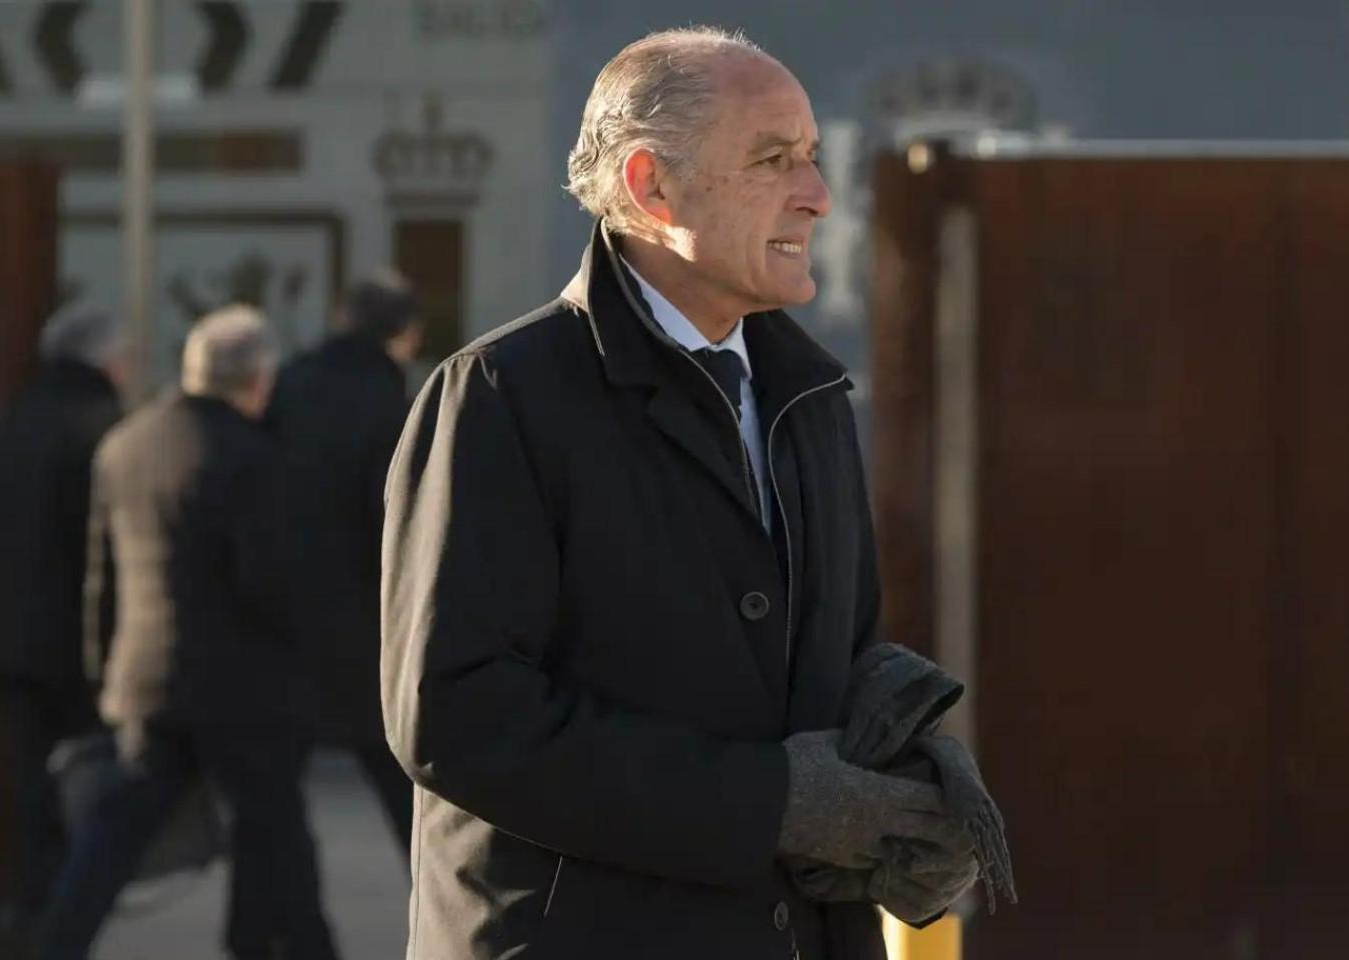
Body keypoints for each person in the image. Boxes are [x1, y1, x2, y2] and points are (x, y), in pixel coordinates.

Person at [380, 26, 980, 960]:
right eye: (773, 160)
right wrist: (773, 803)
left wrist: (906, 775)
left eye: (813, 157)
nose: (818, 195)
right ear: (650, 186)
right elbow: (459, 719)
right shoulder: (501, 396)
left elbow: (839, 659)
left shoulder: (810, 399)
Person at [33, 306, 339, 960]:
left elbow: (100, 581)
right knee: (278, 839)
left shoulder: (125, 445)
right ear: (258, 379)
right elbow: (267, 583)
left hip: (146, 682)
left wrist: (104, 678)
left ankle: (55, 946)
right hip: (242, 693)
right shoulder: (250, 456)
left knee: (112, 839)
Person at [0, 302, 126, 932]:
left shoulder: (4, 430)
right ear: (105, 360)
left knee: (32, 786)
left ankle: (36, 907)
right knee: (97, 792)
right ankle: (65, 918)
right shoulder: (105, 431)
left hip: (14, 641)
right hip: (85, 647)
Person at [268, 269, 421, 853]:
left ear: (340, 318)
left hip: (281, 612)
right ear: (405, 334)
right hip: (361, 615)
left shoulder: (288, 383)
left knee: (272, 790)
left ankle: (280, 904)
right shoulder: (391, 401)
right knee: (399, 779)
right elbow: (394, 518)